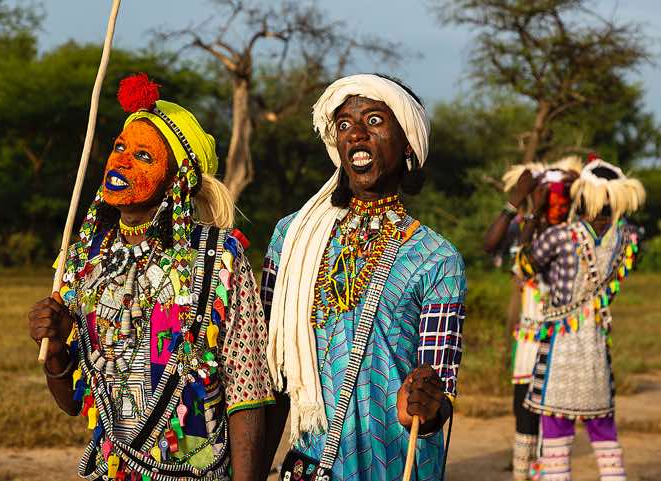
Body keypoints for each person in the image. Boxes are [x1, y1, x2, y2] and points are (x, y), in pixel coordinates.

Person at [27, 73, 274, 481]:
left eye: (143, 156)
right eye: (119, 147)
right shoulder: (82, 259)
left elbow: (246, 392)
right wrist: (53, 350)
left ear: (180, 180)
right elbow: (74, 404)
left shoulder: (219, 258)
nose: (121, 160)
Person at [261, 74, 467, 481]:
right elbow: (268, 371)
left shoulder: (436, 257)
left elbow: (438, 388)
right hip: (309, 463)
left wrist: (425, 406)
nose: (356, 133)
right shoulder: (293, 237)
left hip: (395, 463)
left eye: (374, 121)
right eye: (344, 125)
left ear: (407, 142)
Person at [516, 157, 645, 481]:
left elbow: (524, 266)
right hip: (596, 349)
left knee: (557, 439)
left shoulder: (562, 235)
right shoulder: (628, 239)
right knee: (605, 437)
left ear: (584, 194)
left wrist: (532, 213)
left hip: (560, 350)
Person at [483, 158, 581, 481]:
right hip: (527, 339)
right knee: (523, 413)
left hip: (561, 340)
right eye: (546, 196)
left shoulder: (572, 235)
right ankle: (523, 474)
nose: (553, 203)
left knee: (552, 418)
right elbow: (491, 245)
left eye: (558, 197)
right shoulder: (524, 226)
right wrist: (517, 203)